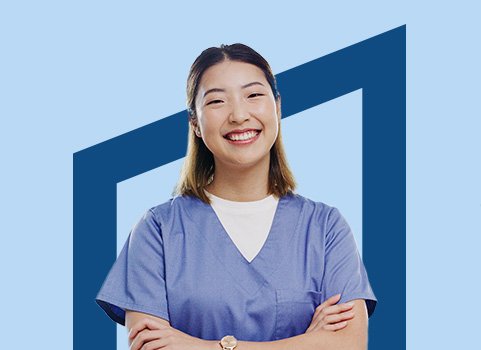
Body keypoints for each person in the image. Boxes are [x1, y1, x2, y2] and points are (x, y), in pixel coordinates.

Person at [96, 43, 377, 350]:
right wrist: (308, 342)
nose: (239, 115)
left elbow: (349, 344)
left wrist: (205, 346)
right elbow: (152, 347)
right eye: (217, 101)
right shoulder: (157, 230)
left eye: (254, 95)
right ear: (195, 124)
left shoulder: (325, 228)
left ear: (278, 107)